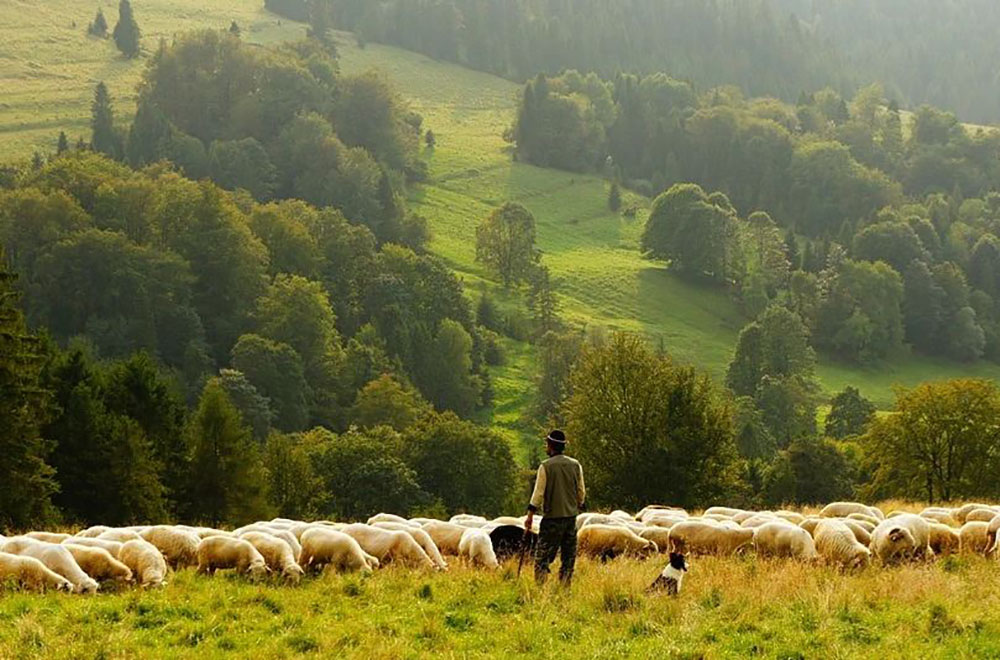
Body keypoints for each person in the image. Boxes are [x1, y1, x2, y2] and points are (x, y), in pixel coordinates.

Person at [525, 429, 585, 585]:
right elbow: (581, 491)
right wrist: (577, 504)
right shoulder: (575, 465)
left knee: (542, 557)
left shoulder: (545, 466)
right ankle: (564, 587)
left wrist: (530, 515)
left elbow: (538, 493)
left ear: (551, 446)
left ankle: (540, 588)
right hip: (571, 518)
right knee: (568, 557)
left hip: (552, 519)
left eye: (547, 444)